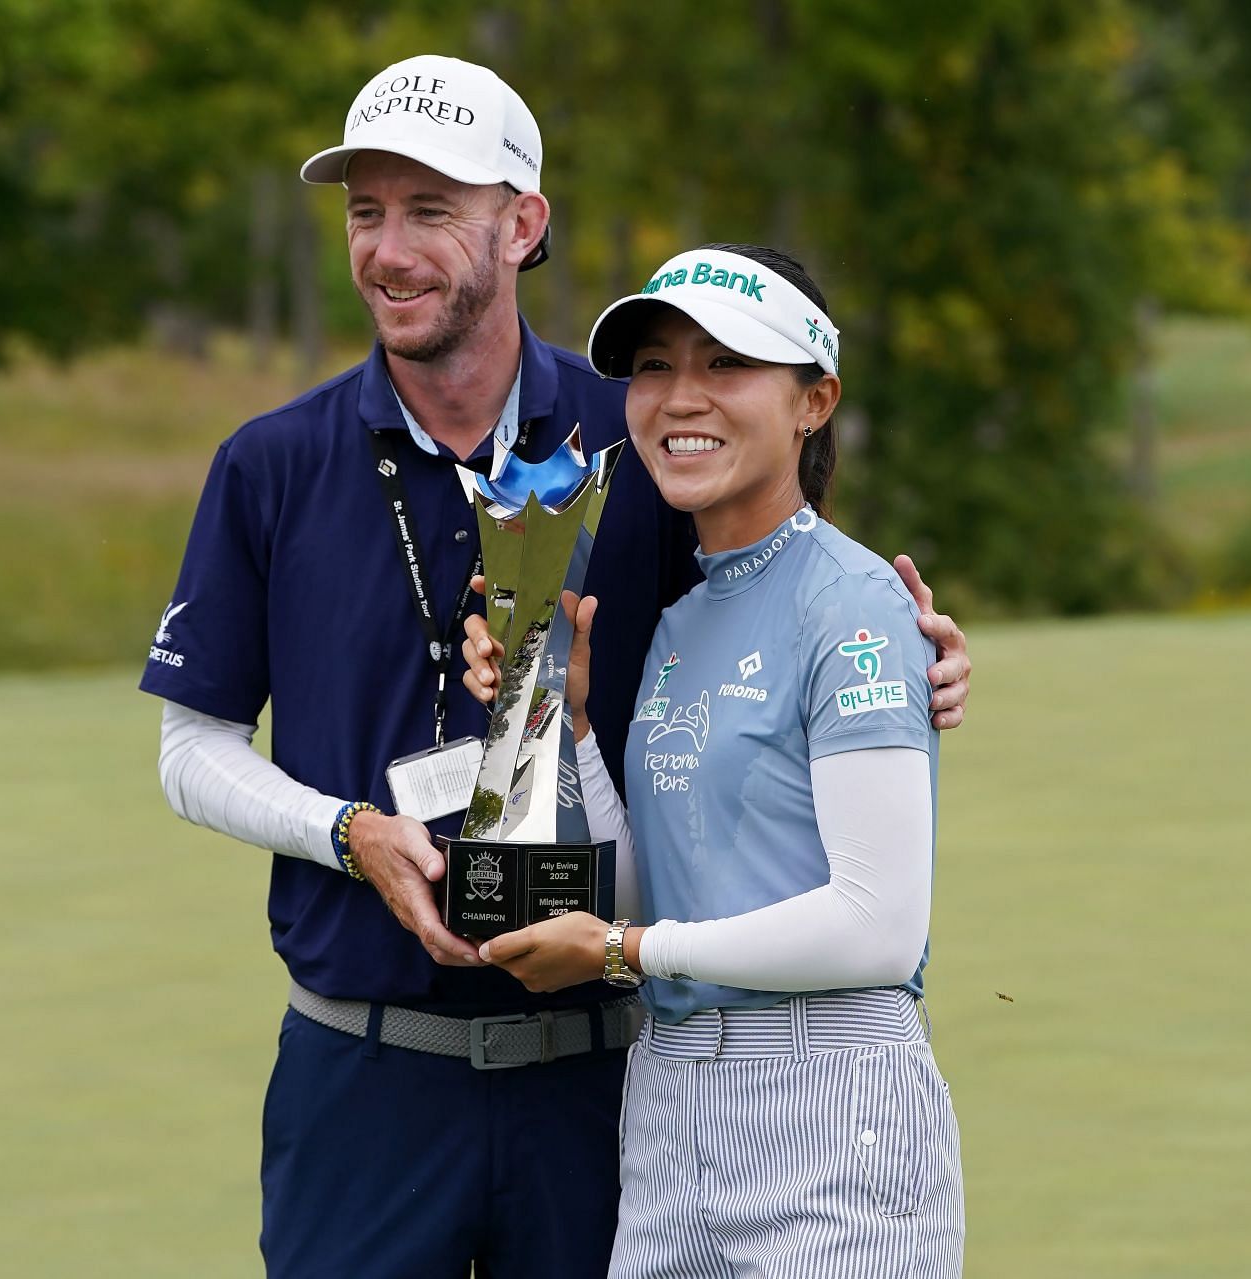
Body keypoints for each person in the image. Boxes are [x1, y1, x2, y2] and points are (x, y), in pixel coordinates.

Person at [140, 55, 972, 1279]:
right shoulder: (272, 463)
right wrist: (348, 829)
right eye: (367, 211)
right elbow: (189, 753)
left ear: (521, 224)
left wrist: (916, 660)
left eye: (432, 210)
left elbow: (783, 605)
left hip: (604, 1074)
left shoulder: (642, 432)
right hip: (361, 1070)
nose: (390, 249)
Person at [465, 243, 963, 1277]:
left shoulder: (855, 604)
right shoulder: (685, 620)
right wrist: (560, 720)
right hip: (669, 1109)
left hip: (830, 1115)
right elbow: (670, 886)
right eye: (655, 366)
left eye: (726, 364)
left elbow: (877, 925)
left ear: (814, 402)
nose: (679, 397)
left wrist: (619, 952)